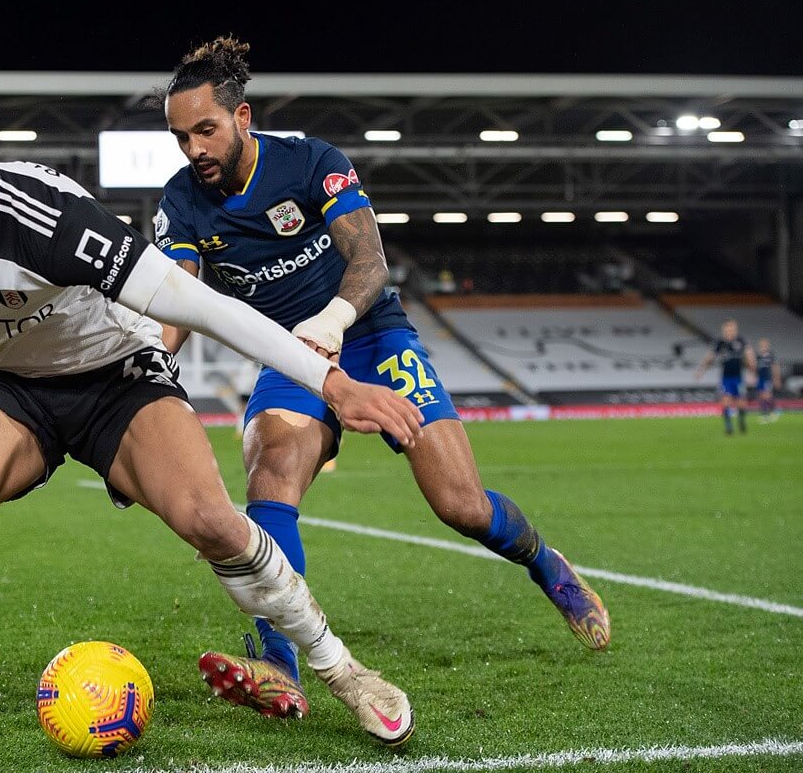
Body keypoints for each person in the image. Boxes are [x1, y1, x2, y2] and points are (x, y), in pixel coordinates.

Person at [0, 84, 427, 772]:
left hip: (116, 377)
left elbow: (204, 307)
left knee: (213, 521)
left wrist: (331, 382)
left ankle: (343, 671)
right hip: (8, 390)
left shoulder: (53, 222)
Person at [153, 36, 611, 720]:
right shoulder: (182, 201)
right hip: (289, 358)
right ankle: (280, 666)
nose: (194, 149)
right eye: (181, 136)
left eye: (206, 130)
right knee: (270, 473)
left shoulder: (312, 161)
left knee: (461, 505)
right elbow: (178, 302)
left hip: (368, 333)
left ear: (243, 118)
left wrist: (333, 320)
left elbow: (369, 259)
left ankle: (544, 561)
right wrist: (149, 371)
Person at [693, 319, 756, 435]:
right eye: (726, 330)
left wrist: (752, 370)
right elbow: (709, 358)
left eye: (731, 329)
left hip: (738, 377)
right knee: (725, 401)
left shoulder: (741, 341)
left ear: (735, 330)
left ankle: (741, 422)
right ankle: (729, 427)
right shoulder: (720, 343)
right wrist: (700, 371)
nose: (728, 332)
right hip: (726, 378)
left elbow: (749, 355)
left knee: (741, 402)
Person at [753, 337, 782, 423]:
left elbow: (775, 367)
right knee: (761, 396)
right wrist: (755, 377)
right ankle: (765, 414)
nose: (763, 347)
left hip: (767, 378)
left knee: (766, 395)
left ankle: (774, 410)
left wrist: (776, 378)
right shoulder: (758, 356)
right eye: (761, 345)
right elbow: (755, 368)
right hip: (760, 378)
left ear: (767, 346)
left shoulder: (770, 355)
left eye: (765, 345)